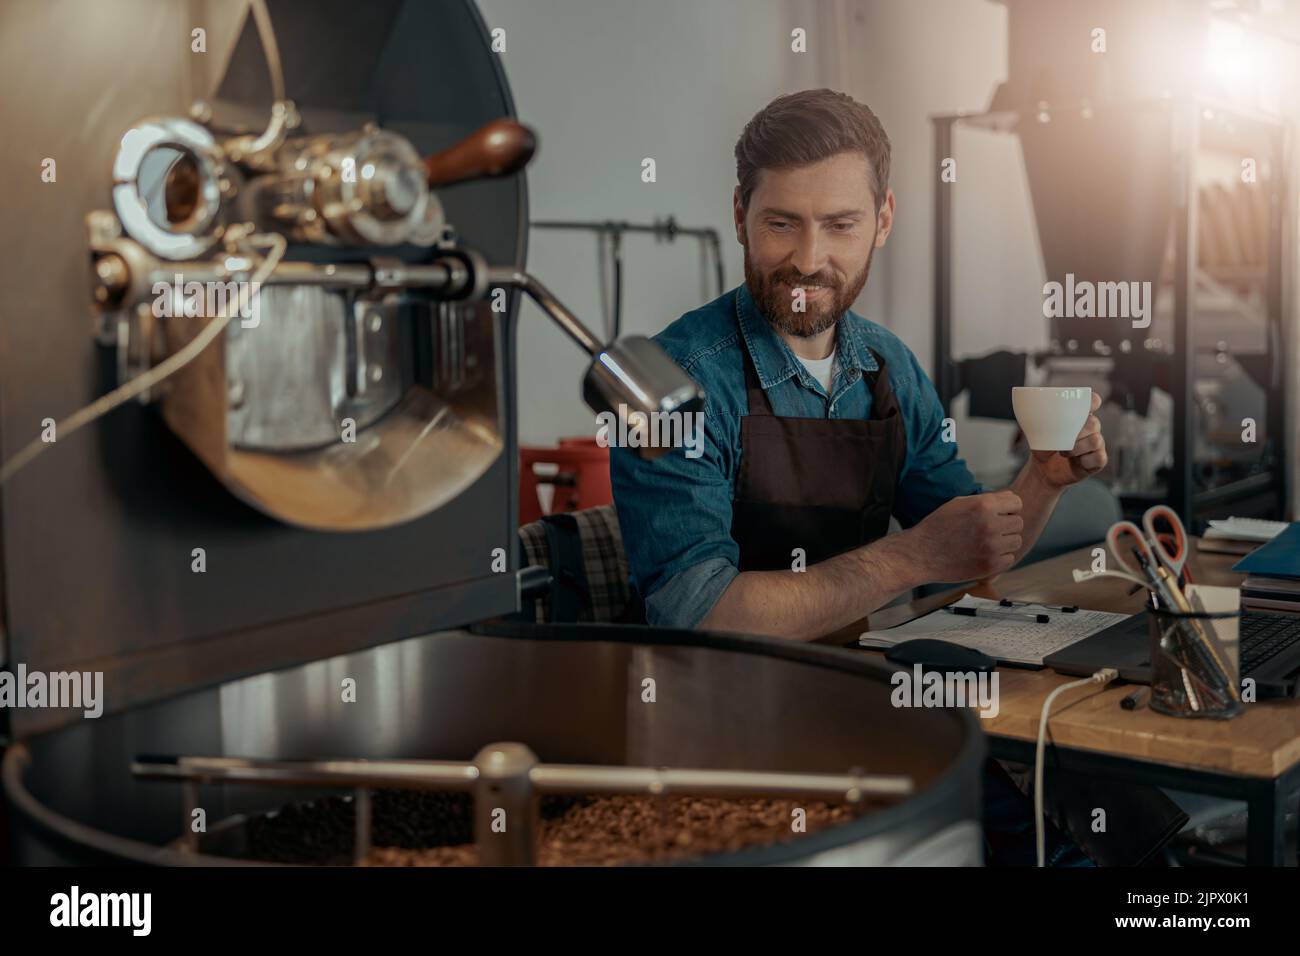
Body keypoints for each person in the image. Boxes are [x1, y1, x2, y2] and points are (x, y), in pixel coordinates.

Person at [611, 89, 1107, 639]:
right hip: (714, 706)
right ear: (739, 215)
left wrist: (1042, 479)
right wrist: (907, 559)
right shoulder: (673, 380)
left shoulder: (888, 365)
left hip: (850, 684)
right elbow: (698, 615)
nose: (807, 259)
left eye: (840, 225)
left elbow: (975, 548)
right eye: (781, 224)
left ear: (883, 220)